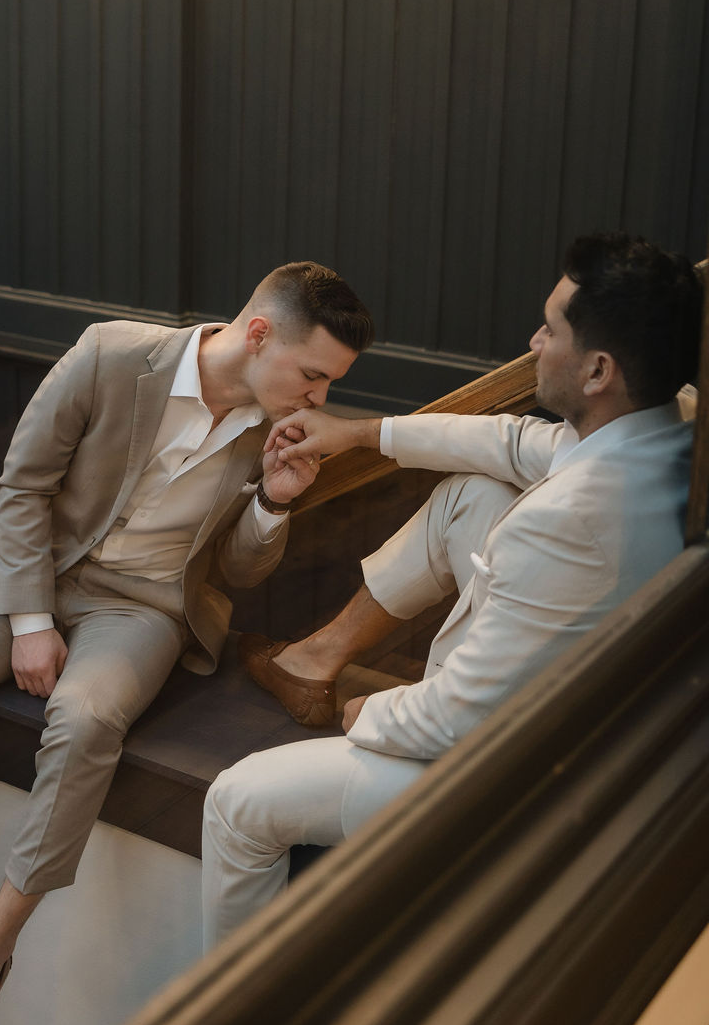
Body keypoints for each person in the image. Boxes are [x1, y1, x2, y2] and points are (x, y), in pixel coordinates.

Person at [0, 261, 373, 1025]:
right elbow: (22, 485)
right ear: (257, 335)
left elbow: (241, 573)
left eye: (330, 383)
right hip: (30, 569)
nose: (319, 398)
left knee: (84, 719)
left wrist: (276, 499)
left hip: (142, 607)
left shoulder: (275, 429)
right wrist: (30, 618)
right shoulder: (109, 354)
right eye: (313, 374)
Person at [202, 234, 702, 948]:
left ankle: (233, 1018)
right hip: (598, 699)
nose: (532, 343)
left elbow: (454, 723)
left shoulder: (573, 519)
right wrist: (357, 434)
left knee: (236, 801)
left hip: (520, 785)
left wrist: (369, 711)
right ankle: (312, 658)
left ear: (597, 370)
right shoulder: (668, 427)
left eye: (551, 329)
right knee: (475, 490)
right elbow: (507, 445)